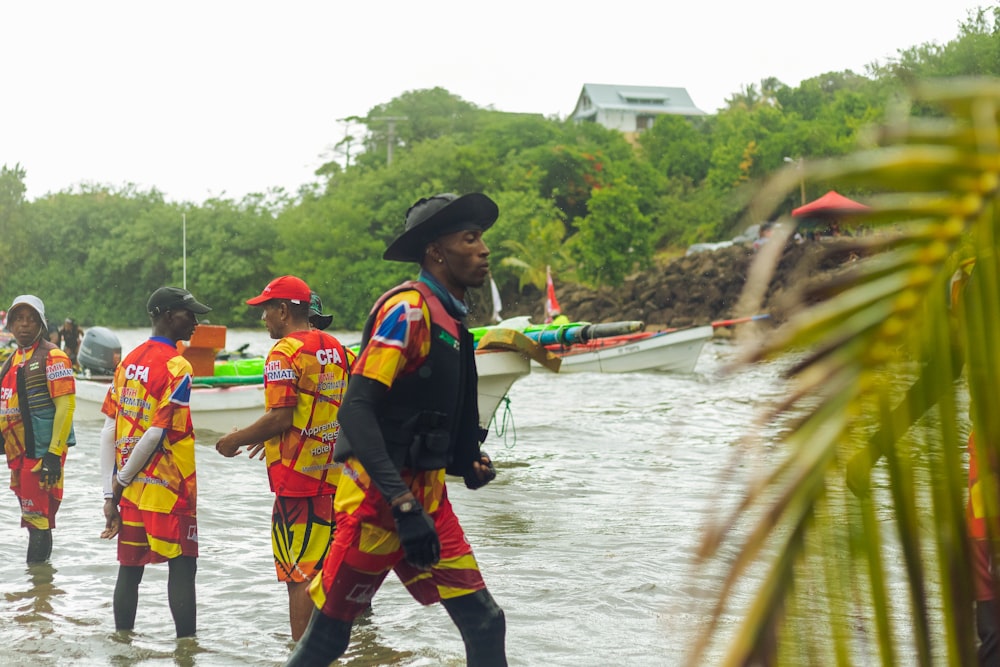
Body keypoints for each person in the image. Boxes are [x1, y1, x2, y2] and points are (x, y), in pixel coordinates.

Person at [286, 192, 506, 666]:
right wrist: (401, 503)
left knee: (486, 623)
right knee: (328, 639)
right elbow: (357, 411)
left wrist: (464, 462)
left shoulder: (453, 317)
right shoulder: (408, 312)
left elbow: (425, 410)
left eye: (483, 237)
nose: (484, 248)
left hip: (428, 502)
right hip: (377, 505)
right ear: (437, 252)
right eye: (471, 238)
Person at [215, 276, 353, 640]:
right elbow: (341, 406)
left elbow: (282, 416)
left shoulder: (283, 353)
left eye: (266, 310)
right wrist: (271, 436)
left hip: (298, 486)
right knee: (330, 575)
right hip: (337, 481)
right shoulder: (338, 348)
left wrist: (235, 439)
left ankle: (301, 656)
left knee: (300, 575)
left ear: (283, 310)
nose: (263, 320)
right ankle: (338, 653)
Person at [99, 286, 211, 638]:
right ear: (167, 316)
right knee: (183, 567)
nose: (195, 321)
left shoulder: (127, 362)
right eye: (188, 314)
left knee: (129, 570)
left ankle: (122, 649)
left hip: (131, 493)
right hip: (170, 488)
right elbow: (156, 434)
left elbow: (108, 430)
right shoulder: (179, 366)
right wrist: (121, 480)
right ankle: (186, 653)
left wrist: (111, 491)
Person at [0, 295, 76, 563]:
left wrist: (53, 455)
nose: (24, 325)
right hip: (19, 456)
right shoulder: (12, 359)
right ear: (10, 324)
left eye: (31, 320)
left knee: (38, 524)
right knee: (35, 522)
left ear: (41, 325)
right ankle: (41, 592)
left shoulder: (54, 357)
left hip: (42, 456)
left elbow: (66, 407)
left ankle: (37, 587)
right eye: (18, 319)